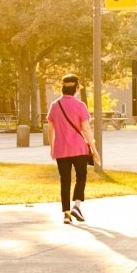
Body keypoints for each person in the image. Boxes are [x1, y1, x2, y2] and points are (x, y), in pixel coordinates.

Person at [45, 74, 94, 225]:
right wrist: (94, 148)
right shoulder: (80, 105)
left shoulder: (55, 105)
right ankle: (77, 206)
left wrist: (52, 148)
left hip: (61, 150)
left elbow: (50, 129)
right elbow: (86, 129)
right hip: (79, 148)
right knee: (81, 176)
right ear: (76, 88)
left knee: (64, 181)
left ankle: (66, 214)